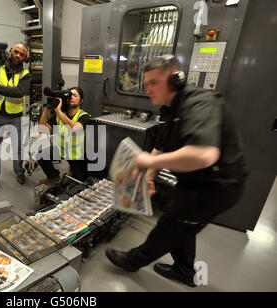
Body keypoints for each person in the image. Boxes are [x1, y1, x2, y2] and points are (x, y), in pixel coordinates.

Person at [105, 55, 248, 287]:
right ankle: (184, 270)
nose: (148, 89)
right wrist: (149, 178)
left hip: (217, 185)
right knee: (184, 221)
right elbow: (159, 149)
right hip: (194, 180)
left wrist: (147, 163)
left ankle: (132, 260)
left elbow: (204, 154)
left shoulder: (201, 103)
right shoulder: (168, 109)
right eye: (146, 83)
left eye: (153, 83)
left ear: (175, 80)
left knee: (171, 224)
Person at [0, 43, 31, 187]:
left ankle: (19, 171)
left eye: (21, 54)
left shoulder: (25, 74)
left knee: (18, 147)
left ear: (24, 58)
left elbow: (19, 92)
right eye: (16, 52)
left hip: (15, 116)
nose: (17, 55)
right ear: (10, 51)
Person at [37, 87, 91, 183]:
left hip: (77, 155)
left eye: (75, 95)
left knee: (80, 184)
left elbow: (75, 129)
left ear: (81, 101)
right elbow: (42, 129)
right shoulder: (60, 115)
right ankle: (53, 176)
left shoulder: (84, 116)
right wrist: (47, 110)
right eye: (70, 95)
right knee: (41, 154)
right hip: (62, 150)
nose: (72, 97)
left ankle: (73, 168)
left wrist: (58, 111)